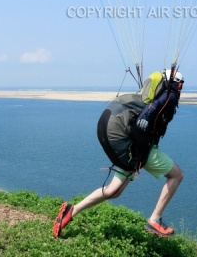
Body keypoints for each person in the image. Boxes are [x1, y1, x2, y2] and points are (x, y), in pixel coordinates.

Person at [53, 69, 184, 239]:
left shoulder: (139, 101)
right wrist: (141, 156)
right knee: (176, 176)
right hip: (127, 142)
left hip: (116, 137)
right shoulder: (157, 105)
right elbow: (143, 130)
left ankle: (71, 210)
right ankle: (155, 219)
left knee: (114, 191)